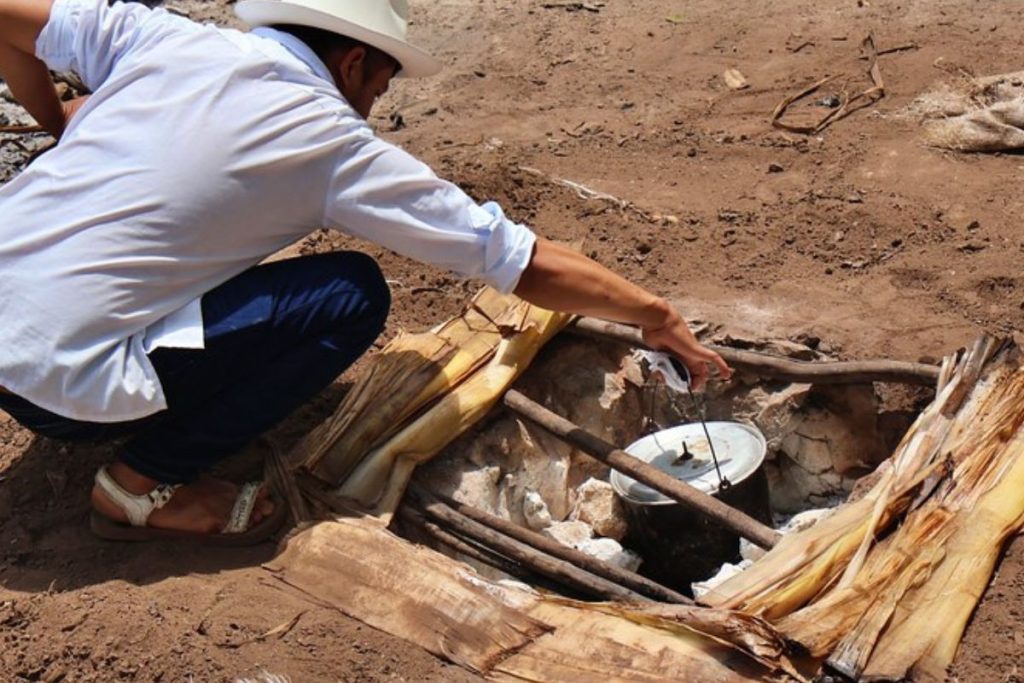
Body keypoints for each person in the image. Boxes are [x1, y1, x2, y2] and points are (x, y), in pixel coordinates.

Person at [0, 0, 731, 543]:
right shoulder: (331, 140)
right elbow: (517, 258)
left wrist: (57, 124)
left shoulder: (160, 36)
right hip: (55, 384)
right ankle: (140, 483)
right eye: (378, 89)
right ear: (353, 63)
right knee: (349, 294)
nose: (372, 108)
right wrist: (655, 313)